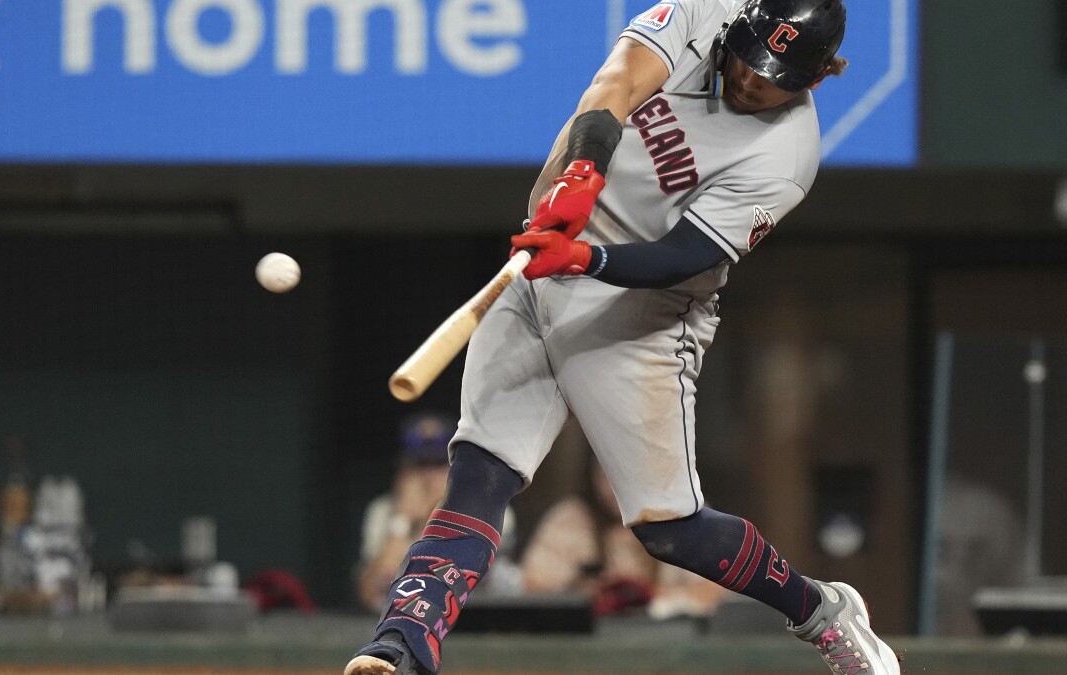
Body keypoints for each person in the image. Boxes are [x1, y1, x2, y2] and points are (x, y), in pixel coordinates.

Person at [344, 1, 901, 674]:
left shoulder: (787, 154)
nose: (754, 80)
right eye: (751, 58)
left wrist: (584, 258)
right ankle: (403, 642)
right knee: (481, 470)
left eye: (776, 74)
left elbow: (680, 256)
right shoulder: (704, 12)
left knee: (668, 530)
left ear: (815, 78)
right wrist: (580, 176)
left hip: (643, 316)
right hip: (542, 264)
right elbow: (615, 86)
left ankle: (820, 610)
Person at [520, 456, 727, 620]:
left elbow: (718, 592)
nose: (617, 487)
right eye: (607, 474)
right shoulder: (569, 521)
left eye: (628, 474)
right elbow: (533, 590)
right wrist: (593, 597)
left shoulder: (687, 517)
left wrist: (643, 598)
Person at [354, 412, 519, 611]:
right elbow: (376, 593)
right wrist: (403, 519)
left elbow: (451, 586)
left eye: (438, 464)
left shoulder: (490, 511)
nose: (428, 477)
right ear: (403, 470)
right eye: (420, 465)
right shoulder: (384, 511)